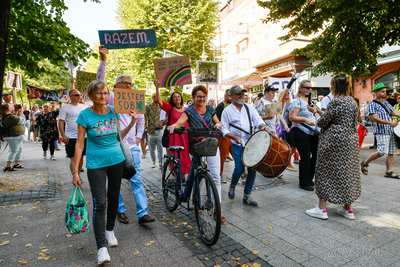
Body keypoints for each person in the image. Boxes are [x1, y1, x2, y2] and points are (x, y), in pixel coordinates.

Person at [72, 80, 137, 265]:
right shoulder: (84, 116)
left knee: (114, 197)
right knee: (99, 204)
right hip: (95, 164)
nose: (103, 96)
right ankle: (101, 247)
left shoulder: (113, 111)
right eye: (99, 93)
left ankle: (110, 230)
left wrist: (132, 122)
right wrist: (75, 171)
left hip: (117, 160)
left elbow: (119, 136)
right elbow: (79, 144)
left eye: (106, 93)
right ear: (91, 95)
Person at [96, 45, 155, 226]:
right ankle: (120, 210)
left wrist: (138, 137)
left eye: (130, 83)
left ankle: (143, 213)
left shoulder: (136, 99)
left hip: (131, 146)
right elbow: (99, 83)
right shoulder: (112, 97)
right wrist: (103, 60)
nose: (129, 86)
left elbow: (142, 120)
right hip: (114, 146)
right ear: (117, 85)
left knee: (136, 179)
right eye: (125, 83)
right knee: (116, 181)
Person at [167, 85, 227, 224]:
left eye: (203, 97)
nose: (201, 99)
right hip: (197, 146)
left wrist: (218, 126)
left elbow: (217, 122)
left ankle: (217, 209)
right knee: (198, 176)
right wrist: (173, 127)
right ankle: (197, 201)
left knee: (216, 177)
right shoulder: (190, 111)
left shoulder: (211, 109)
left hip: (211, 144)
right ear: (193, 97)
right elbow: (179, 123)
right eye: (199, 96)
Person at [306, 74, 361, 220]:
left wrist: (314, 113)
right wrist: (318, 110)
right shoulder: (352, 102)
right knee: (347, 172)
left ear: (333, 88)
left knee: (324, 171)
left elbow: (323, 122)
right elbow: (342, 118)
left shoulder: (335, 101)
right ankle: (348, 209)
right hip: (350, 141)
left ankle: (321, 209)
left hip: (333, 141)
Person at [221, 86, 267, 206]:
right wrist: (233, 137)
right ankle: (233, 185)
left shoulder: (249, 107)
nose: (241, 96)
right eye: (238, 94)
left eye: (242, 93)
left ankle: (247, 196)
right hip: (236, 143)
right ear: (231, 96)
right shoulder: (227, 110)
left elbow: (257, 120)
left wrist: (262, 126)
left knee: (253, 168)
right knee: (239, 168)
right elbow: (224, 128)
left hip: (250, 142)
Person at [154, 79, 191, 181]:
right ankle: (176, 178)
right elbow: (159, 101)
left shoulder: (187, 109)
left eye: (179, 96)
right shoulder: (170, 108)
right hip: (174, 137)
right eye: (175, 97)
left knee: (184, 156)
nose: (177, 98)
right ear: (172, 99)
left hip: (185, 137)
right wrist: (157, 87)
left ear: (181, 98)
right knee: (174, 157)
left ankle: (182, 178)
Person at [361, 83, 400, 178]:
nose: (385, 93)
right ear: (376, 92)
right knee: (382, 152)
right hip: (381, 131)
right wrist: (390, 123)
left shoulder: (385, 102)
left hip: (391, 130)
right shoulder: (372, 104)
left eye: (385, 91)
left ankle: (389, 172)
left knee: (391, 151)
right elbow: (375, 118)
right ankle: (365, 162)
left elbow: (393, 112)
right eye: (382, 91)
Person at [289, 80, 318, 191]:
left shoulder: (311, 102)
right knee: (305, 157)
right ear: (301, 88)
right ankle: (304, 182)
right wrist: (305, 119)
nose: (309, 90)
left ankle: (309, 178)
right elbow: (292, 117)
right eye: (307, 87)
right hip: (300, 131)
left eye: (311, 88)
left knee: (315, 156)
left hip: (313, 132)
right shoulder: (297, 101)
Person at [58, 89, 87, 180]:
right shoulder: (65, 108)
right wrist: (63, 135)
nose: (79, 97)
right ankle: (75, 176)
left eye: (80, 95)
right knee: (73, 158)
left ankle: (77, 175)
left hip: (83, 136)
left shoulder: (83, 107)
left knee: (81, 158)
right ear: (71, 96)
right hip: (71, 136)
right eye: (77, 95)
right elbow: (61, 122)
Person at [277, 89, 297, 172]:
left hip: (292, 126)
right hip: (284, 127)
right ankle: (288, 163)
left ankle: (287, 161)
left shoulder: (291, 104)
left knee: (294, 146)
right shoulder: (280, 104)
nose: (288, 95)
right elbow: (277, 115)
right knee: (288, 146)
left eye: (288, 93)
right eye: (286, 94)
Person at [1, 103, 25, 171]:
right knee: (13, 151)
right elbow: (21, 120)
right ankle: (8, 166)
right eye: (10, 107)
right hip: (13, 136)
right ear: (8, 109)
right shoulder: (9, 117)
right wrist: (22, 114)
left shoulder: (7, 116)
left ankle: (16, 163)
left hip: (15, 136)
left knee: (19, 149)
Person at [216, 89, 233, 183]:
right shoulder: (220, 106)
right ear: (226, 96)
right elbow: (217, 120)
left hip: (232, 134)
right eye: (230, 96)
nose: (231, 98)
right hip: (224, 135)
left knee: (236, 153)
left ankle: (243, 171)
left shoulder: (232, 105)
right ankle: (220, 173)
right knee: (222, 155)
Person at [145, 93, 164, 168]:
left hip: (159, 131)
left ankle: (160, 162)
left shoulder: (160, 107)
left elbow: (163, 116)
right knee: (151, 149)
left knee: (160, 148)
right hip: (150, 131)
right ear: (153, 97)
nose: (157, 99)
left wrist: (162, 124)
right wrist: (145, 127)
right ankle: (153, 161)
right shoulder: (148, 107)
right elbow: (145, 117)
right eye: (156, 97)